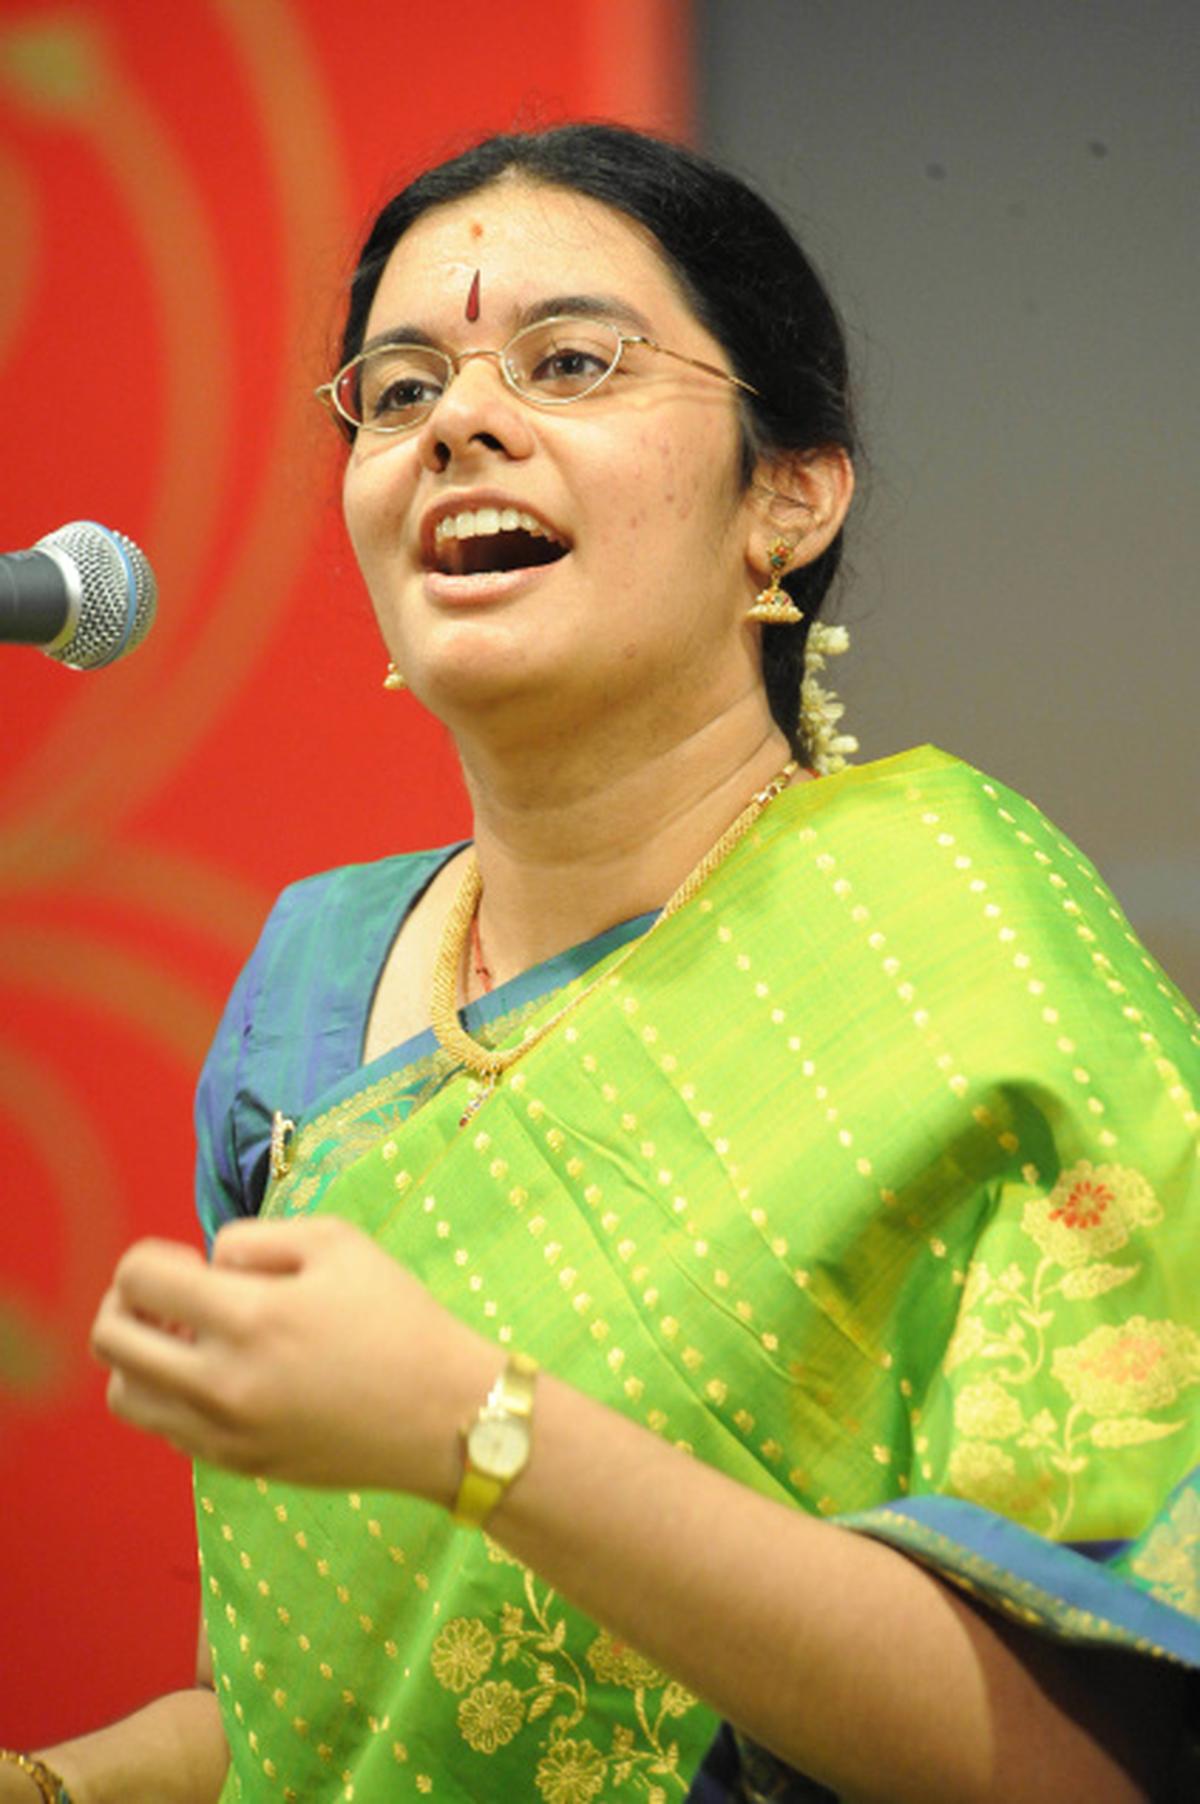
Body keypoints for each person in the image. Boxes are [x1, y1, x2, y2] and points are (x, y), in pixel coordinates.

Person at [6, 122, 1197, 1804]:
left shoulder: (949, 933)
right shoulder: (308, 991)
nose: (458, 425)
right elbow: (309, 1712)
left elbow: (1101, 1761)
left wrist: (481, 1429)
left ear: (787, 496)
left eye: (570, 363)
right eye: (398, 393)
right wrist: (65, 1784)